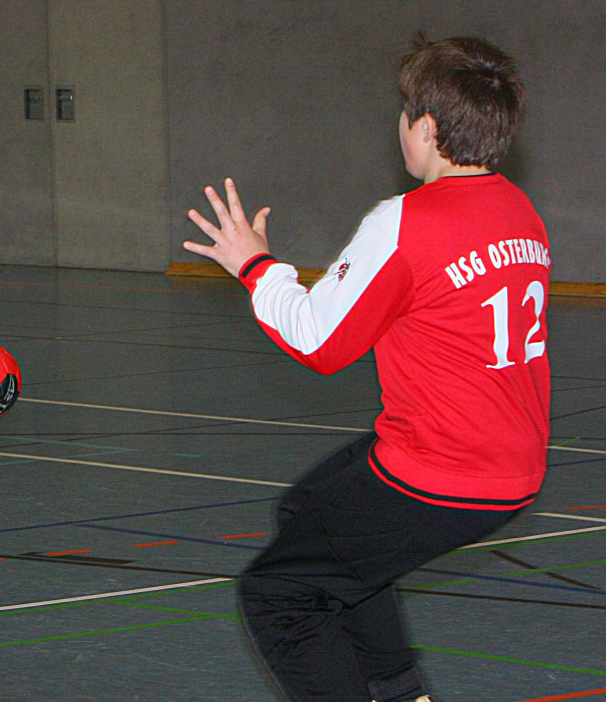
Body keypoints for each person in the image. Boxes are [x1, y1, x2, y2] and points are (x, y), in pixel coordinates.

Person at [183, 36, 549, 702]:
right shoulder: (519, 212)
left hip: (441, 472)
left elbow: (318, 342)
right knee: (306, 510)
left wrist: (254, 265)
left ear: (427, 129)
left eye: (405, 114)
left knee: (278, 594)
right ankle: (401, 690)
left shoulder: (405, 222)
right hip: (509, 462)